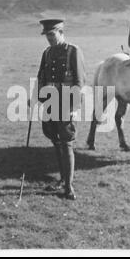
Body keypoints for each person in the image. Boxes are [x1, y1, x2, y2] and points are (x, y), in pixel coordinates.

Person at [36, 19, 86, 200]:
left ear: (60, 32)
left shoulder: (73, 51)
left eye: (52, 34)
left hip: (66, 102)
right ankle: (63, 177)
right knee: (54, 139)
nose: (49, 38)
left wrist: (74, 107)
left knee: (66, 142)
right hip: (50, 102)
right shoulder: (47, 52)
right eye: (47, 35)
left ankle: (69, 186)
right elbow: (41, 76)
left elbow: (80, 82)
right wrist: (38, 99)